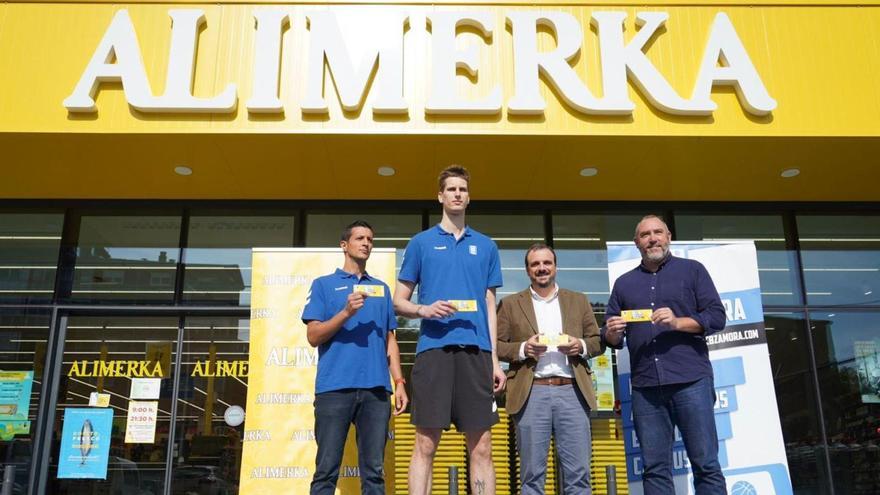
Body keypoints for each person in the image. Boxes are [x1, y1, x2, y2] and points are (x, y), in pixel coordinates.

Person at [393, 165, 506, 495]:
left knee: (482, 445)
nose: (457, 194)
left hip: (477, 354)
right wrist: (423, 309)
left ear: (469, 198)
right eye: (451, 189)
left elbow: (489, 304)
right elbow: (399, 301)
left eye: (463, 189)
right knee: (425, 444)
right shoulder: (421, 243)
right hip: (434, 352)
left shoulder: (486, 246)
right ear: (440, 196)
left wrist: (496, 360)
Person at [603, 215, 727, 494]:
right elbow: (611, 336)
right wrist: (611, 331)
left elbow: (717, 317)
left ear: (669, 236)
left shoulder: (693, 270)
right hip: (647, 387)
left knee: (705, 463)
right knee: (654, 469)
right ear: (637, 243)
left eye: (658, 232)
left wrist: (677, 322)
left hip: (691, 380)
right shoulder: (624, 284)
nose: (652, 238)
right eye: (645, 235)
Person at [302, 220, 408, 495]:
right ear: (344, 245)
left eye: (370, 239)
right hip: (334, 389)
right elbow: (313, 336)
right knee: (326, 471)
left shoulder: (381, 289)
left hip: (375, 391)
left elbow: (390, 340)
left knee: (374, 473)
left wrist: (399, 382)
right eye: (360, 238)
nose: (366, 243)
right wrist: (345, 313)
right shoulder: (324, 285)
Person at [496, 243, 603, 494]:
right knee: (532, 476)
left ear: (555, 267)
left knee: (579, 475)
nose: (542, 268)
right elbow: (497, 346)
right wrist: (523, 349)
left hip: (572, 392)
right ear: (527, 270)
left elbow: (597, 341)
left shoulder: (578, 300)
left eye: (547, 263)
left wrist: (580, 346)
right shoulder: (511, 304)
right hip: (532, 393)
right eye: (535, 264)